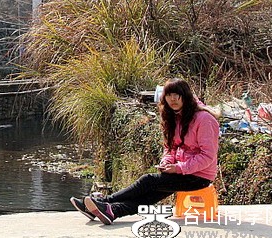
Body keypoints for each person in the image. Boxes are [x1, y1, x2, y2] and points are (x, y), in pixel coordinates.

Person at [69, 78, 220, 225]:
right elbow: (170, 148)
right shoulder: (174, 117)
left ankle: (103, 202)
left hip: (199, 176)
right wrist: (167, 162)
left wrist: (178, 168)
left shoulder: (204, 119)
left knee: (148, 180)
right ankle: (111, 211)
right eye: (169, 95)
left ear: (185, 96)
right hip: (181, 172)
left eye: (177, 95)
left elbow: (208, 156)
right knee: (150, 196)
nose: (173, 99)